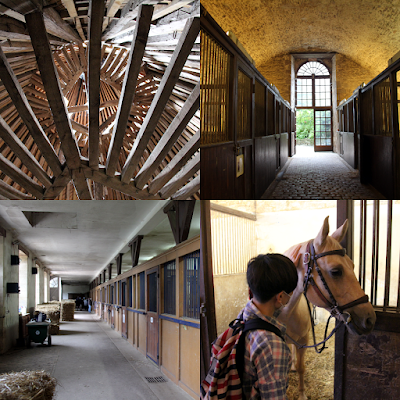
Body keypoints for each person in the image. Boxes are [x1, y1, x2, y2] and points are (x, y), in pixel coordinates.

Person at [239, 253, 300, 400]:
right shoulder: (272, 345)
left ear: (250, 291)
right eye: (288, 295)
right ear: (280, 297)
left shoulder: (242, 317)